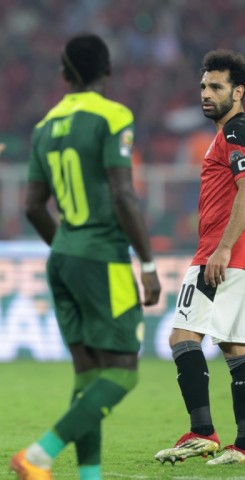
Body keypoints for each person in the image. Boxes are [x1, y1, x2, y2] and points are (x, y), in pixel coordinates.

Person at [10, 33, 161, 480]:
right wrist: (148, 262)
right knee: (124, 373)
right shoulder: (113, 115)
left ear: (63, 73)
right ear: (108, 70)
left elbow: (32, 206)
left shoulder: (43, 126)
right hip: (103, 258)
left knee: (88, 378)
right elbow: (122, 194)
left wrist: (65, 246)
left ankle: (88, 478)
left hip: (62, 257)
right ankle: (39, 454)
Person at [155, 49, 245, 466]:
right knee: (236, 347)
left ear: (238, 92)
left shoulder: (237, 132)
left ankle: (202, 433)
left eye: (216, 87)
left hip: (221, 255)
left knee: (182, 337)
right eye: (203, 85)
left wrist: (221, 247)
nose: (206, 93)